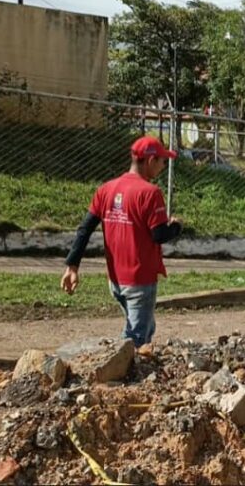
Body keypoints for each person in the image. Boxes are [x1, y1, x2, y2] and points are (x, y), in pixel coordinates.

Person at [61, 136, 183, 349]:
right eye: (163, 161)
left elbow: (85, 228)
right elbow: (159, 235)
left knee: (145, 327)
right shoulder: (150, 193)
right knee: (136, 339)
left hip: (116, 280)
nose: (164, 166)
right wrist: (176, 227)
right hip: (140, 280)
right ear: (150, 160)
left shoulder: (106, 189)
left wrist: (72, 266)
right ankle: (121, 374)